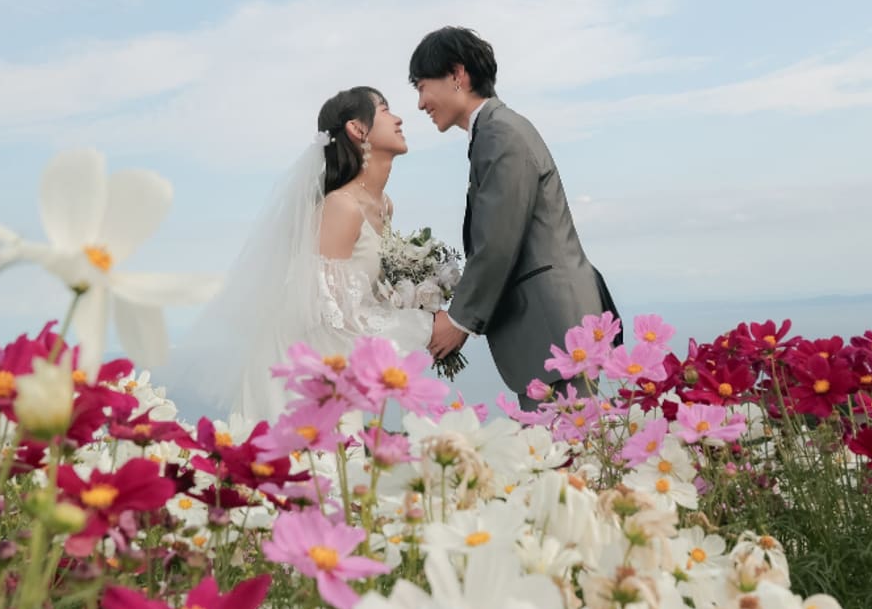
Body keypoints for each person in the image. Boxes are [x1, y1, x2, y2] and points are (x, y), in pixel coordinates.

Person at [166, 87, 431, 423]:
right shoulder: (342, 207)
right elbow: (333, 315)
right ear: (357, 128)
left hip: (334, 369)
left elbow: (366, 294)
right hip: (297, 372)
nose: (399, 118)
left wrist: (415, 298)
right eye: (384, 109)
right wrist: (424, 326)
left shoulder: (384, 205)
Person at [410, 26, 621, 410]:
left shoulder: (500, 132)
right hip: (556, 324)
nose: (421, 102)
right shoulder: (494, 131)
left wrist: (458, 321)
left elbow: (499, 239)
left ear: (457, 75)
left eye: (422, 86)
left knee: (571, 444)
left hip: (555, 328)